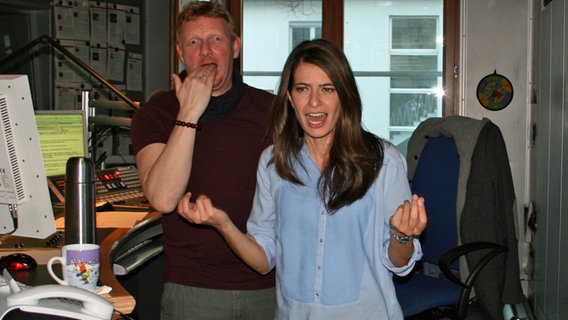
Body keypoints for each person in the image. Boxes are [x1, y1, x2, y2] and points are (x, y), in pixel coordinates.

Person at [177, 39, 428, 319]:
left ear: (344, 96)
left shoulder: (384, 161)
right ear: (289, 98)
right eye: (302, 89)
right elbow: (262, 261)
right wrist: (222, 224)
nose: (314, 102)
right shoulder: (274, 163)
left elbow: (399, 262)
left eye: (327, 89)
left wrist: (401, 236)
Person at [130, 1, 276, 319]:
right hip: (193, 288)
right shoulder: (156, 114)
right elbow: (163, 198)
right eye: (194, 42)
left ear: (235, 47)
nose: (206, 52)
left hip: (270, 283)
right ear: (181, 53)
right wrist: (189, 113)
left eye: (216, 40)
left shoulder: (273, 111)